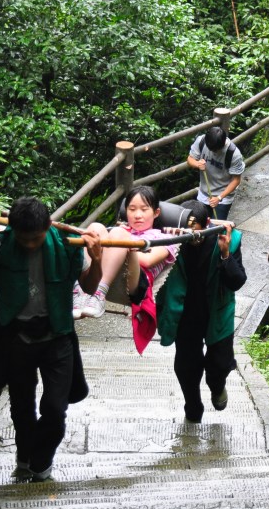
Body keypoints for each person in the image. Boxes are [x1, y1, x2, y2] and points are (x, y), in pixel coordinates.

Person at [0, 197, 103, 482]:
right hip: (16, 335)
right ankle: (26, 456)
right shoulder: (1, 247)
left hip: (58, 334)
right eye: (24, 239)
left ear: (48, 228)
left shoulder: (68, 245)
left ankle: (40, 459)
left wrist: (97, 259)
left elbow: (90, 286)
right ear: (14, 231)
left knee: (56, 409)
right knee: (21, 406)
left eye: (36, 238)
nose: (30, 244)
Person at [156, 201, 247, 423]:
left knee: (218, 364)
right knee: (186, 364)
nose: (192, 239)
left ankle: (217, 387)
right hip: (185, 312)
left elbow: (237, 281)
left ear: (207, 225)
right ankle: (193, 404)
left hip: (218, 309)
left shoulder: (228, 239)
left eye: (197, 233)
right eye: (188, 232)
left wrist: (225, 254)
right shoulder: (170, 239)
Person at [73, 186, 179, 320]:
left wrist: (121, 243)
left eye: (144, 209)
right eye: (132, 209)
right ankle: (83, 294)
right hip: (103, 272)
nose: (137, 215)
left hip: (135, 283)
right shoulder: (121, 230)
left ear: (156, 212)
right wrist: (115, 241)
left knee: (118, 233)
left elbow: (148, 261)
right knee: (95, 228)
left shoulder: (166, 239)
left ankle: (99, 293)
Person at [186, 126, 245, 221]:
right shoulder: (201, 141)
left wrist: (219, 197)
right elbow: (190, 159)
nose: (211, 151)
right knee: (199, 228)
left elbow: (236, 180)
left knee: (214, 231)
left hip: (223, 196)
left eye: (214, 150)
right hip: (203, 193)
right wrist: (197, 164)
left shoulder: (233, 154)